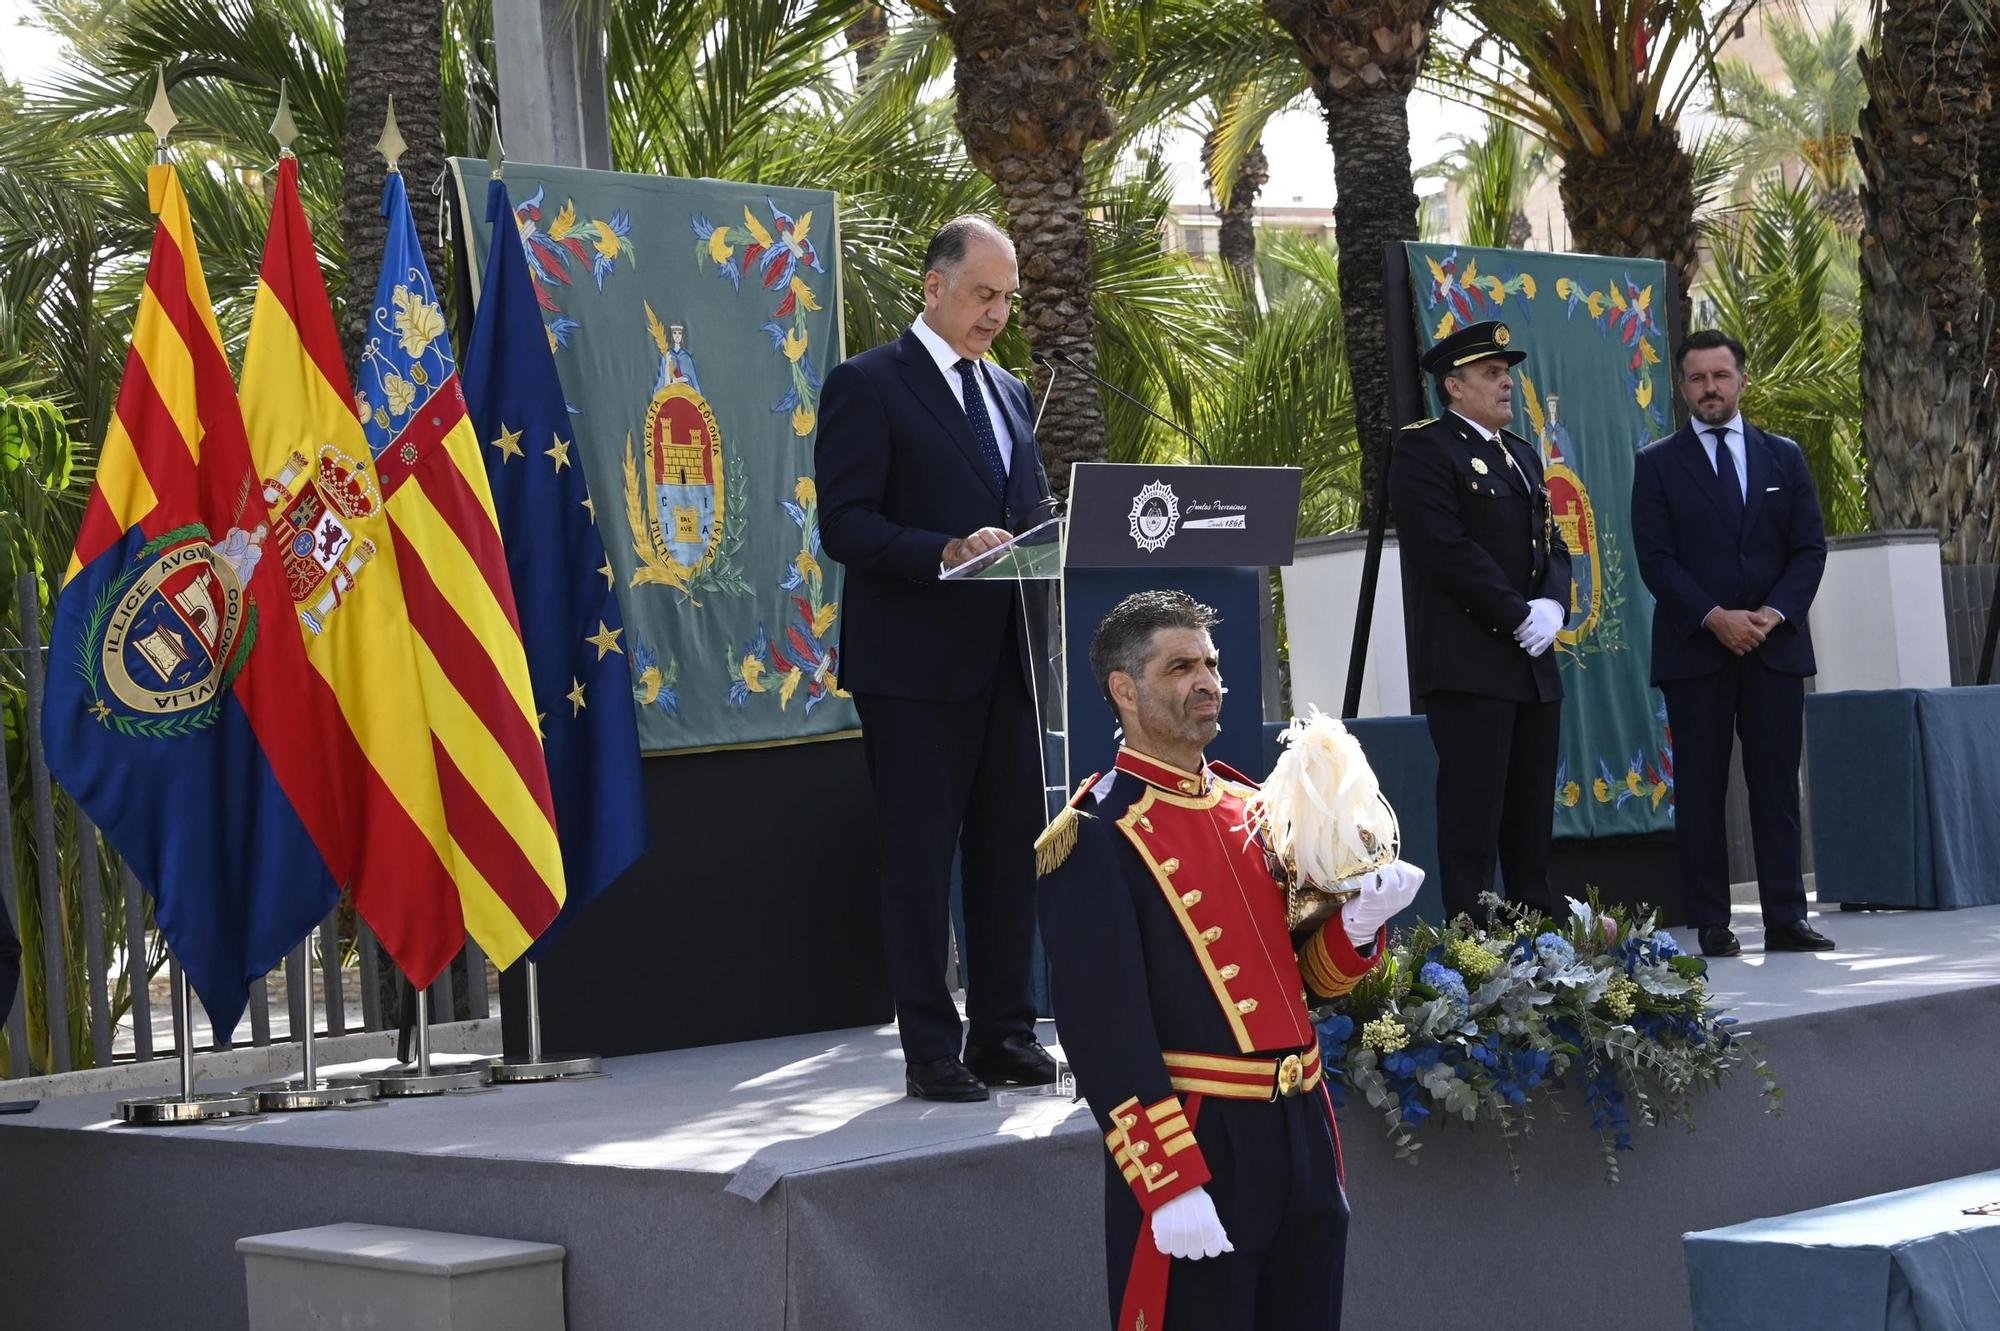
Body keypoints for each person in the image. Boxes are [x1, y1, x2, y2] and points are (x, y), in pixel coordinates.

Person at [1038, 591, 1423, 1331]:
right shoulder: (1096, 831)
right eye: (1181, 666)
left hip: (1301, 1125)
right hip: (1201, 1132)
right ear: (1125, 689)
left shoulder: (1253, 805)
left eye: (1211, 663)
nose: (1207, 681)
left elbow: (1312, 978)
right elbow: (1102, 1033)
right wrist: (1168, 1181)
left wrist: (1359, 921)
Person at [815, 216, 1057, 1102]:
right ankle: (930, 1047)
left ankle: (1005, 1031)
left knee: (1006, 853)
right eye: (985, 294)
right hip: (913, 669)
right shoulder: (868, 385)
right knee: (921, 859)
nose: (998, 313)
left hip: (1006, 662)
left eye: (1008, 299)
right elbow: (843, 523)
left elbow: (1023, 513)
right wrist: (943, 550)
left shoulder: (1010, 393)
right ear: (934, 286)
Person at [1630, 331, 1833, 958]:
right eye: (1697, 379)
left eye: (1720, 376)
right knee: (1701, 788)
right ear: (1683, 387)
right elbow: (1656, 560)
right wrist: (1714, 616)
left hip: (1773, 650)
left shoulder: (1785, 457)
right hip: (1697, 653)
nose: (1710, 388)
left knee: (1775, 787)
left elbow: (1808, 551)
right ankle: (1713, 922)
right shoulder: (1657, 463)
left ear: (1741, 380)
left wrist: (1769, 615)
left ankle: (1785, 919)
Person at [1388, 319, 1571, 923]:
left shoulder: (1519, 455)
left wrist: (1552, 604)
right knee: (1473, 817)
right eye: (1491, 374)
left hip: (1532, 665)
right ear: (1453, 386)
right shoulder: (1425, 447)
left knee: (1529, 816)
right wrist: (1516, 614)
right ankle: (1474, 947)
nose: (1505, 384)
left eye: (1506, 374)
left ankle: (1539, 942)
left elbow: (1551, 543)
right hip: (1472, 663)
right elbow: (1443, 548)